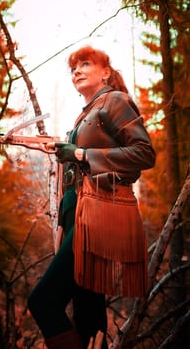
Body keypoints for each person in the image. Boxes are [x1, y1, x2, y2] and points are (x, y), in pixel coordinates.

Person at [28, 45, 156, 349]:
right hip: (79, 213)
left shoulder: (114, 101)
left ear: (106, 72)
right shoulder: (86, 114)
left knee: (42, 301)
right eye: (73, 68)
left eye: (85, 64)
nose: (77, 72)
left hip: (99, 213)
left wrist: (83, 153)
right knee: (88, 315)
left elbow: (144, 153)